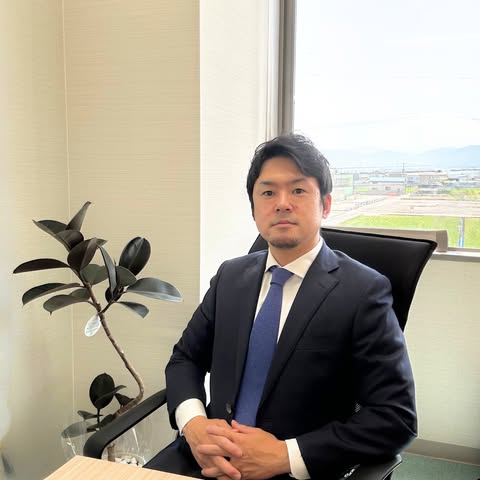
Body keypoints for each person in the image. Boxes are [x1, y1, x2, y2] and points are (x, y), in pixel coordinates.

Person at [145, 134, 417, 479]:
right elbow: (186, 358)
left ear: (325, 204)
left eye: (298, 190)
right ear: (254, 208)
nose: (282, 203)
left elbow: (396, 417)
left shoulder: (364, 291)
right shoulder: (230, 276)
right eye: (268, 192)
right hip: (206, 456)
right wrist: (195, 425)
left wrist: (284, 455)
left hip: (293, 470)